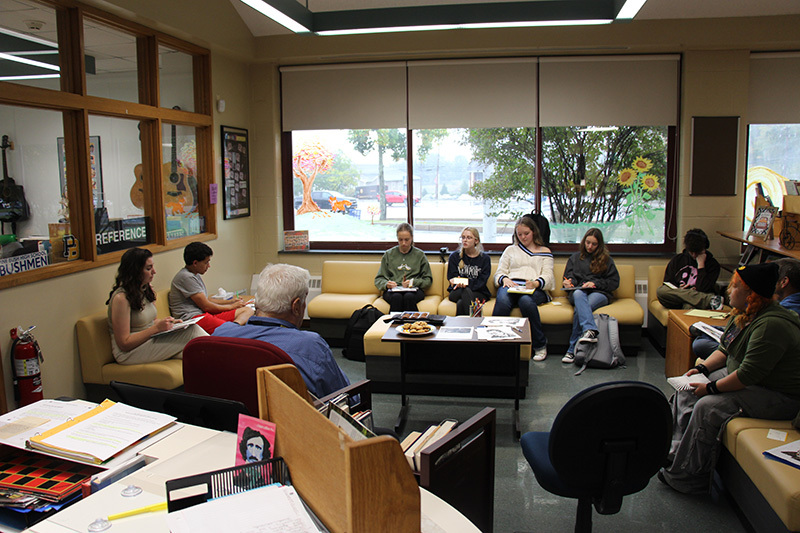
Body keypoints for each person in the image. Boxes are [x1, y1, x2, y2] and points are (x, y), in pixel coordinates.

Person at [659, 262, 800, 494]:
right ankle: (675, 452)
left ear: (751, 295)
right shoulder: (743, 315)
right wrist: (702, 370)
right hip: (748, 378)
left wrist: (711, 389)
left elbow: (746, 375)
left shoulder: (771, 325)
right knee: (686, 388)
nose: (728, 291)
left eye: (735, 287)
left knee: (708, 406)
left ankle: (688, 477)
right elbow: (725, 350)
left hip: (777, 394)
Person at [213, 263, 350, 398]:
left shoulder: (220, 334)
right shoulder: (310, 346)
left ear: (257, 301)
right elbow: (344, 396)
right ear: (296, 306)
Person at [106, 247, 207, 365]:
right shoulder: (121, 299)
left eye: (152, 267)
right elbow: (124, 343)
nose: (154, 271)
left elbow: (151, 322)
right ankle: (226, 351)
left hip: (150, 340)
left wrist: (171, 324)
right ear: (135, 271)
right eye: (148, 268)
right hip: (129, 352)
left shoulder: (145, 290)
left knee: (199, 354)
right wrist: (156, 328)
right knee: (192, 332)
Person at [692, 257, 800, 357]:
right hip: (749, 337)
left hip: (751, 349)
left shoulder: (788, 311)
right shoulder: (784, 303)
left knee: (700, 344)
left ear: (784, 282)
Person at [492, 216, 554, 361]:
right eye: (519, 234)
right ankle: (494, 343)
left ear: (534, 232)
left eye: (526, 234)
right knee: (502, 301)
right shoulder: (510, 250)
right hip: (511, 285)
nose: (523, 237)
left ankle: (539, 345)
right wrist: (505, 279)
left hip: (534, 288)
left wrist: (536, 283)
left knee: (525, 301)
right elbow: (498, 274)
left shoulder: (544, 251)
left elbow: (549, 277)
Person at [561, 228, 620, 364]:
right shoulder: (574, 258)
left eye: (594, 244)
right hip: (578, 292)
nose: (590, 246)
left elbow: (614, 283)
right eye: (587, 243)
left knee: (579, 310)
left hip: (599, 293)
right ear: (583, 242)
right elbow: (569, 278)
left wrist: (594, 283)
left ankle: (571, 351)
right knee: (577, 294)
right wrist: (568, 283)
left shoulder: (606, 260)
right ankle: (590, 330)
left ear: (599, 245)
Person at [169, 242, 254, 333]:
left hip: (203, 314)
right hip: (194, 319)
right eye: (206, 262)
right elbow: (206, 306)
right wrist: (231, 306)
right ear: (195, 263)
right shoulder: (186, 277)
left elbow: (206, 300)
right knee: (231, 328)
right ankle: (231, 330)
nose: (208, 266)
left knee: (248, 311)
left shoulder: (194, 275)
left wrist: (230, 302)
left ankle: (234, 326)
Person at [657, 228, 723, 310]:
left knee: (689, 306)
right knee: (661, 291)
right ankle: (708, 300)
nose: (694, 255)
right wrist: (681, 290)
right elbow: (668, 284)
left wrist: (701, 265)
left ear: (704, 248)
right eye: (692, 252)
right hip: (678, 298)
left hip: (697, 301)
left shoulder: (713, 264)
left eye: (698, 252)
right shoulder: (678, 260)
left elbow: (705, 289)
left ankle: (706, 301)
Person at [374, 223, 432, 312]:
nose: (403, 243)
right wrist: (387, 284)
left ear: (412, 238)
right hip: (393, 291)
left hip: (414, 291)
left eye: (407, 240)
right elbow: (379, 279)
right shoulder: (389, 255)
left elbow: (428, 280)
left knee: (408, 297)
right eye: (400, 240)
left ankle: (412, 324)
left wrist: (413, 282)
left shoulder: (420, 255)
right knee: (397, 297)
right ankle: (394, 324)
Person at [446, 227, 491, 316]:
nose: (465, 240)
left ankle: (460, 327)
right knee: (465, 291)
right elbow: (451, 277)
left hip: (478, 292)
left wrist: (465, 283)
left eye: (469, 238)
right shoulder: (455, 257)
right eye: (463, 237)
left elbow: (481, 282)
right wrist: (457, 283)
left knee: (461, 302)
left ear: (476, 240)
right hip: (456, 291)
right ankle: (474, 322)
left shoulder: (484, 259)